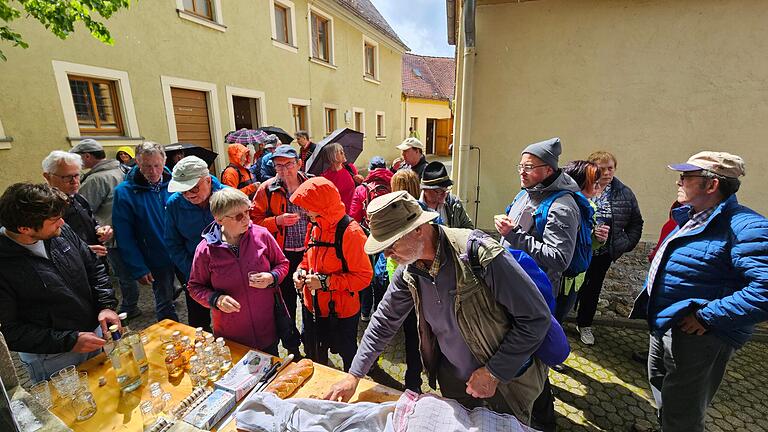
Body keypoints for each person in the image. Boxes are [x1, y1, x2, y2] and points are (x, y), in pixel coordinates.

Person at [324, 192, 550, 425]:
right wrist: (354, 375)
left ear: (418, 229)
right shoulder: (409, 270)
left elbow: (536, 319)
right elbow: (384, 320)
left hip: (506, 382)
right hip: (455, 384)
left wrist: (494, 372)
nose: (387, 254)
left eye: (392, 244)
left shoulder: (478, 253)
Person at [630, 151, 768, 432]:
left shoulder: (746, 226)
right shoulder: (693, 216)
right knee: (664, 388)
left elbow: (764, 291)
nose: (678, 182)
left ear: (712, 184)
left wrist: (707, 317)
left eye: (686, 176)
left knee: (685, 412)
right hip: (669, 324)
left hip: (700, 336)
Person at [494, 137, 580, 432]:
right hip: (513, 288)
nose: (522, 171)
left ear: (548, 169)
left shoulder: (563, 206)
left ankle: (542, 420)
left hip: (536, 296)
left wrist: (514, 234)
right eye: (521, 165)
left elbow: (559, 259)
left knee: (534, 358)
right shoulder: (528, 193)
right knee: (519, 355)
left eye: (528, 167)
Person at [0, 183, 119, 382]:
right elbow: (10, 332)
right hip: (54, 357)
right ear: (25, 228)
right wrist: (69, 341)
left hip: (93, 334)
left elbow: (94, 268)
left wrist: (106, 306)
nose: (62, 222)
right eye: (54, 220)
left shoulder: (61, 232)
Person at [187, 188, 289, 355]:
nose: (247, 219)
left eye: (248, 211)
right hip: (231, 336)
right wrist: (216, 299)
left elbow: (282, 264)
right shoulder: (205, 250)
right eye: (239, 216)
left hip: (266, 329)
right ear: (219, 220)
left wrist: (272, 276)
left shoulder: (262, 235)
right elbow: (194, 287)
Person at [290, 177, 372, 371]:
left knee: (348, 358)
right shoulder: (315, 224)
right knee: (315, 355)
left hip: (342, 312)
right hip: (313, 309)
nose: (304, 210)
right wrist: (300, 271)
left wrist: (326, 282)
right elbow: (308, 257)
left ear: (321, 205)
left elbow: (364, 277)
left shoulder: (351, 232)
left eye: (308, 205)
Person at [576, 151, 644, 346]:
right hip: (579, 250)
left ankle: (585, 324)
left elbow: (636, 222)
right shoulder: (581, 188)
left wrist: (625, 244)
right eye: (602, 168)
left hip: (603, 254)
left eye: (610, 168)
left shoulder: (624, 192)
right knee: (572, 288)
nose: (606, 172)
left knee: (592, 289)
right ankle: (561, 323)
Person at [70, 139, 139, 319]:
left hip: (111, 235)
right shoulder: (121, 169)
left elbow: (83, 209)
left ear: (87, 156)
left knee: (123, 273)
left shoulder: (96, 179)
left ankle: (130, 307)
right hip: (130, 229)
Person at [112, 141, 179, 322]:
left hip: (181, 251)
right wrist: (138, 267)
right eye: (147, 166)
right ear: (138, 163)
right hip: (155, 257)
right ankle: (170, 338)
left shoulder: (175, 184)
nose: (153, 171)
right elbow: (124, 234)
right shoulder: (124, 192)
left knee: (195, 294)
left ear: (164, 161)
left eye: (157, 165)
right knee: (164, 301)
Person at [250, 145, 310, 329]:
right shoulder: (266, 189)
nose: (284, 169)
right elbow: (253, 222)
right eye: (279, 165)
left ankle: (313, 341)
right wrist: (277, 221)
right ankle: (291, 339)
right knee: (286, 301)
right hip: (282, 256)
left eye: (289, 164)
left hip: (310, 252)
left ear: (299, 164)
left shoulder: (311, 185)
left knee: (310, 299)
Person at [164, 156, 227, 332]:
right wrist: (191, 270)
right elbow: (173, 243)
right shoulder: (175, 204)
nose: (189, 195)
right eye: (183, 191)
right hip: (194, 272)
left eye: (194, 188)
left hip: (228, 271)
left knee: (233, 319)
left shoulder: (228, 197)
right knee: (199, 325)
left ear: (207, 180)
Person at [555, 160, 604, 324]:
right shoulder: (565, 207)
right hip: (560, 277)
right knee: (553, 318)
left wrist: (597, 239)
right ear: (580, 182)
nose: (598, 186)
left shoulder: (589, 207)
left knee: (560, 316)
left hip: (576, 277)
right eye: (594, 182)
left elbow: (586, 244)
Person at [41, 151, 112, 258]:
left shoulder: (78, 198)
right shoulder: (45, 207)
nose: (74, 181)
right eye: (67, 177)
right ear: (48, 177)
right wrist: (82, 251)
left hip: (95, 263)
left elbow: (91, 223)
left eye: (77, 175)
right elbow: (46, 245)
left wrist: (101, 230)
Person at [349, 156, 392, 323]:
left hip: (368, 236)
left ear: (370, 169)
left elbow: (353, 216)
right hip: (389, 235)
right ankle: (383, 310)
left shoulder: (362, 189)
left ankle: (365, 311)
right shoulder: (392, 185)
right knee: (384, 273)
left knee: (367, 273)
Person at [419, 161, 473, 229]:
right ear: (426, 190)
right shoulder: (415, 207)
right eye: (439, 191)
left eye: (446, 189)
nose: (444, 194)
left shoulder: (454, 203)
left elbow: (469, 228)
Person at [349, 156, 393, 226]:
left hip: (373, 228)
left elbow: (355, 217)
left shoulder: (361, 189)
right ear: (385, 169)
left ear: (369, 170)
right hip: (394, 225)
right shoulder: (394, 183)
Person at [320, 143, 360, 214]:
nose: (343, 153)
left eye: (342, 150)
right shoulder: (325, 178)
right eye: (340, 151)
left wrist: (361, 181)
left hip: (354, 212)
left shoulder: (350, 168)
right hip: (339, 216)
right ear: (332, 156)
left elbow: (359, 190)